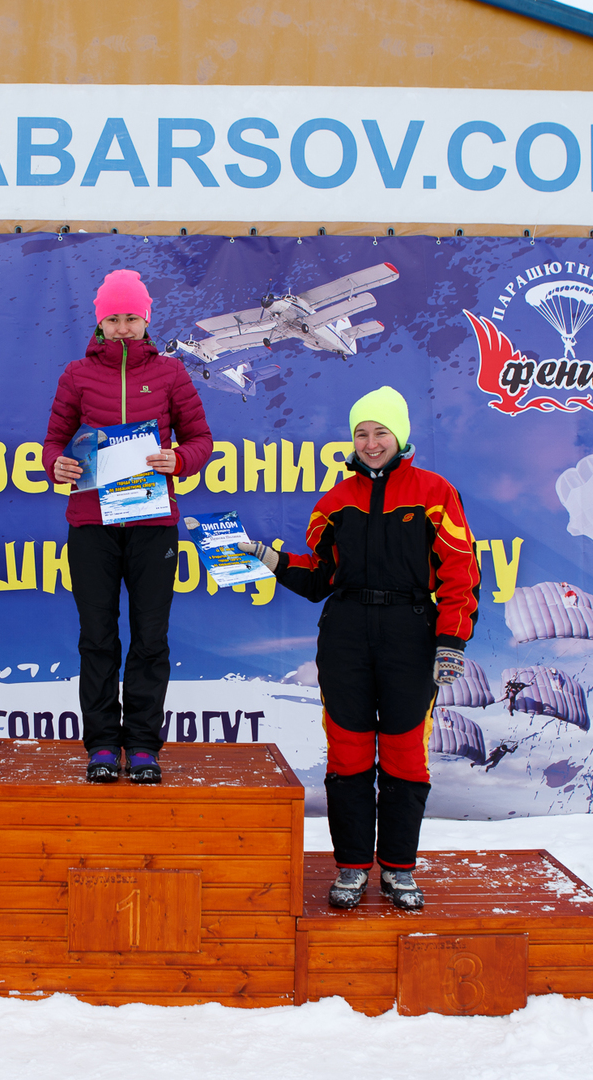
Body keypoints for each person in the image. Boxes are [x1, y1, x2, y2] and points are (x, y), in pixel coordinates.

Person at [239, 386, 479, 910]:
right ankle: (351, 867)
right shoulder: (335, 502)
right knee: (347, 750)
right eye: (361, 434)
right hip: (345, 633)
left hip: (410, 633)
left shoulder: (436, 492)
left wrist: (451, 640)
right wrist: (271, 559)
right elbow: (320, 577)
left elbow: (460, 571)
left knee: (404, 751)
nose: (371, 443)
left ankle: (398, 869)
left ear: (400, 435)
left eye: (381, 432)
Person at [43, 269, 213, 784]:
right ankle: (100, 743)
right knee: (97, 637)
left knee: (150, 637)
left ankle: (141, 745)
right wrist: (56, 466)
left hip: (152, 522)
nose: (122, 328)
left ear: (146, 320)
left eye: (131, 318)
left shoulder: (171, 373)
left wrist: (178, 460)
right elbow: (54, 442)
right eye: (113, 319)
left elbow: (201, 440)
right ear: (99, 322)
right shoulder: (76, 373)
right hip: (91, 523)